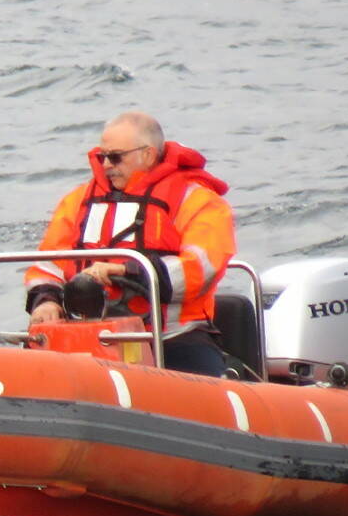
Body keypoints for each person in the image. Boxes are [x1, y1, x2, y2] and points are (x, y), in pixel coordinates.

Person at [25, 111, 236, 377]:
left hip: (172, 338)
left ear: (147, 154)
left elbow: (200, 269)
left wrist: (127, 271)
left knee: (202, 386)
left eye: (115, 157)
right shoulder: (78, 202)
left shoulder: (198, 201)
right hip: (87, 335)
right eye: (102, 157)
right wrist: (46, 301)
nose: (106, 166)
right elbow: (48, 264)